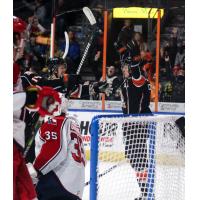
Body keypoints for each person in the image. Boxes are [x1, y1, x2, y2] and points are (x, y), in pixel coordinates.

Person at [26, 95, 86, 200]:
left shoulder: (54, 123)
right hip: (74, 185)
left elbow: (55, 150)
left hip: (58, 184)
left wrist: (36, 171)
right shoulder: (71, 124)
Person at [120, 58, 152, 200]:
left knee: (140, 161)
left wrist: (134, 63)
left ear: (132, 69)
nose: (123, 70)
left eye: (126, 67)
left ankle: (145, 194)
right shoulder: (127, 82)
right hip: (129, 125)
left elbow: (138, 78)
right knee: (134, 160)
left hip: (137, 125)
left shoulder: (137, 81)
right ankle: (144, 192)